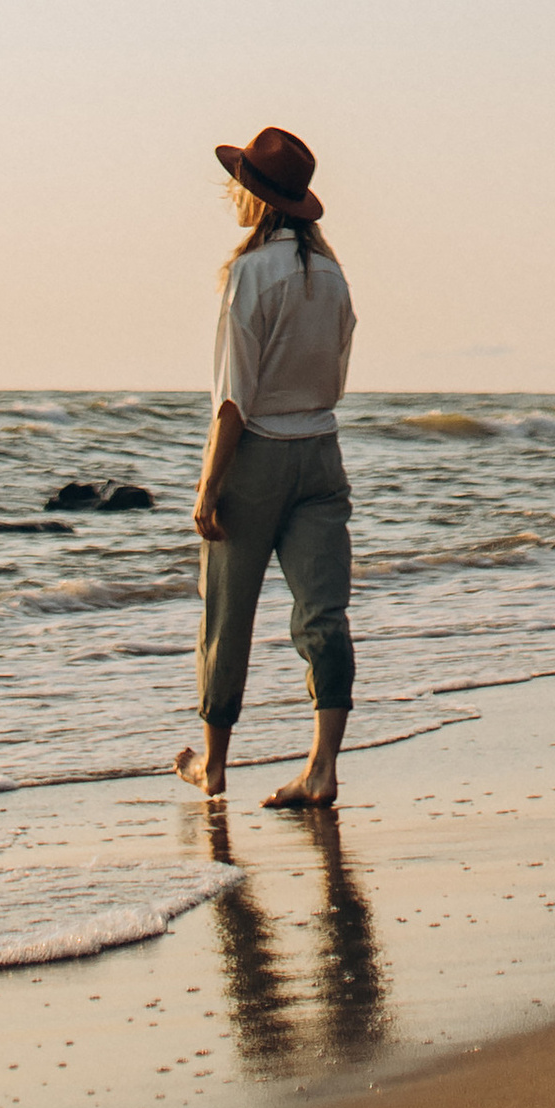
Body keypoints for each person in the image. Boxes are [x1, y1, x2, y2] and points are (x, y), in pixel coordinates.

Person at [174, 125, 357, 811]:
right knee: (324, 615)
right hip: (321, 453)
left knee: (227, 613)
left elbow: (232, 400)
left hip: (255, 456)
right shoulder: (334, 277)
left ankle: (214, 766)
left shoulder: (248, 275)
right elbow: (335, 375)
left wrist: (208, 488)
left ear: (255, 199)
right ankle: (322, 768)